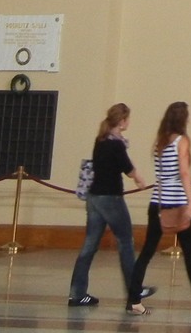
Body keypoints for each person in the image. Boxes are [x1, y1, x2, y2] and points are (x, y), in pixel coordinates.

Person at [126, 102, 191, 314]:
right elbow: (184, 173)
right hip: (176, 203)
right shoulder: (181, 141)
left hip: (157, 203)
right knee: (190, 251)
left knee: (147, 252)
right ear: (183, 119)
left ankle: (133, 299)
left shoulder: (161, 142)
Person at [68, 103, 156, 308]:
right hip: (111, 198)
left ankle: (77, 294)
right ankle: (134, 290)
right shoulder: (116, 145)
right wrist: (140, 180)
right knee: (125, 241)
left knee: (89, 246)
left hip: (94, 197)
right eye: (128, 119)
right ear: (123, 121)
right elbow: (128, 169)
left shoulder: (101, 140)